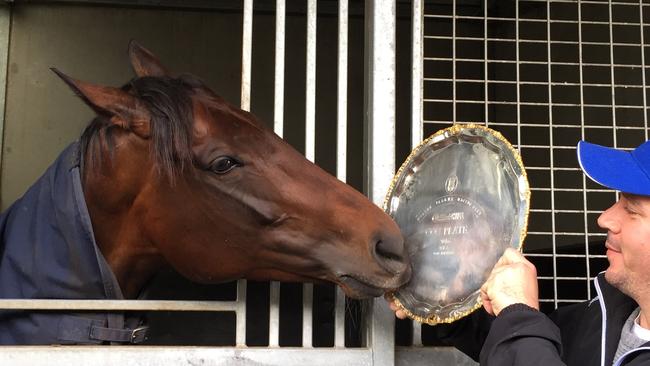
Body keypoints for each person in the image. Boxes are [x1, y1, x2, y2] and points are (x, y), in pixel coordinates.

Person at [387, 140, 650, 365]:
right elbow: (529, 351)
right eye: (618, 202)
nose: (605, 219)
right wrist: (445, 294)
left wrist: (520, 312)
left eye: (632, 210)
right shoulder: (608, 315)